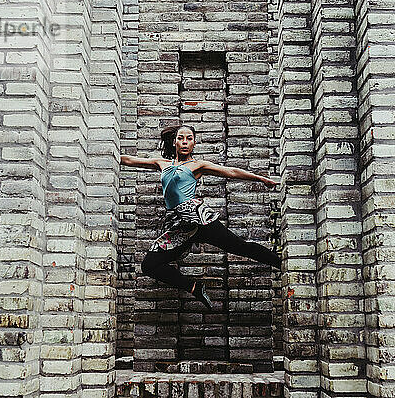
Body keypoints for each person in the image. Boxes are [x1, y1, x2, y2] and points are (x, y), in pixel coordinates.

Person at [121, 124, 282, 311]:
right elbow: (131, 160)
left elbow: (230, 172)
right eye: (181, 138)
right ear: (174, 142)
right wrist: (111, 155)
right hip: (179, 226)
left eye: (189, 138)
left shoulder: (198, 165)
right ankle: (195, 288)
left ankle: (280, 263)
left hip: (199, 219)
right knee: (149, 265)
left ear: (194, 143)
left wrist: (260, 179)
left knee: (240, 246)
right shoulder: (162, 164)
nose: (184, 142)